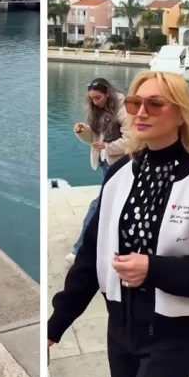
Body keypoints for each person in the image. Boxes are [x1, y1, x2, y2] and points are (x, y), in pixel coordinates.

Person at [48, 71, 189, 377]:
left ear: (181, 114)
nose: (140, 112)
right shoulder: (120, 174)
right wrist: (54, 327)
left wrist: (154, 269)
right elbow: (90, 256)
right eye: (135, 103)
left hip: (176, 335)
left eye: (154, 104)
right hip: (121, 328)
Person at [65, 78, 131, 264]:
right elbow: (94, 139)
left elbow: (131, 140)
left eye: (98, 98)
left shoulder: (123, 109)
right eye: (92, 99)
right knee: (112, 204)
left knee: (100, 203)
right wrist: (82, 131)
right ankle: (107, 245)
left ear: (108, 94)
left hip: (120, 164)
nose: (94, 102)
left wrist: (107, 146)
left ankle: (80, 249)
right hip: (104, 162)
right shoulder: (96, 110)